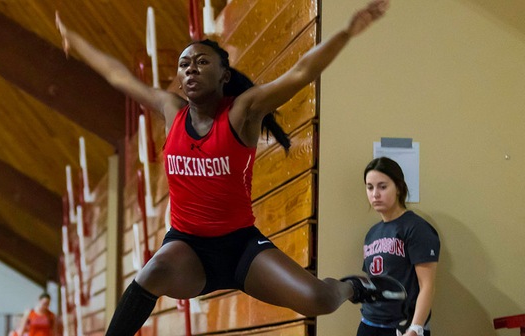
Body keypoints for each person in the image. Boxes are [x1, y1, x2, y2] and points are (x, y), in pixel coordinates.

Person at [56, 1, 402, 335]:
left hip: (241, 248)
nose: (191, 68)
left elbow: (301, 72)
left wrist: (347, 31)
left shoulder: (243, 111)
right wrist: (77, 42)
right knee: (154, 270)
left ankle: (355, 287)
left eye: (202, 62)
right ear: (178, 79)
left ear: (224, 75)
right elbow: (119, 77)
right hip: (188, 248)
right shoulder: (171, 110)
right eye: (184, 64)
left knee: (320, 300)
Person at [358, 157, 440, 336]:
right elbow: (373, 282)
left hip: (403, 327)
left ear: (399, 188)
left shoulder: (417, 228)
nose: (375, 194)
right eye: (369, 187)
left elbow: (427, 286)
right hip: (369, 324)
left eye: (382, 186)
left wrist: (416, 328)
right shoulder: (371, 234)